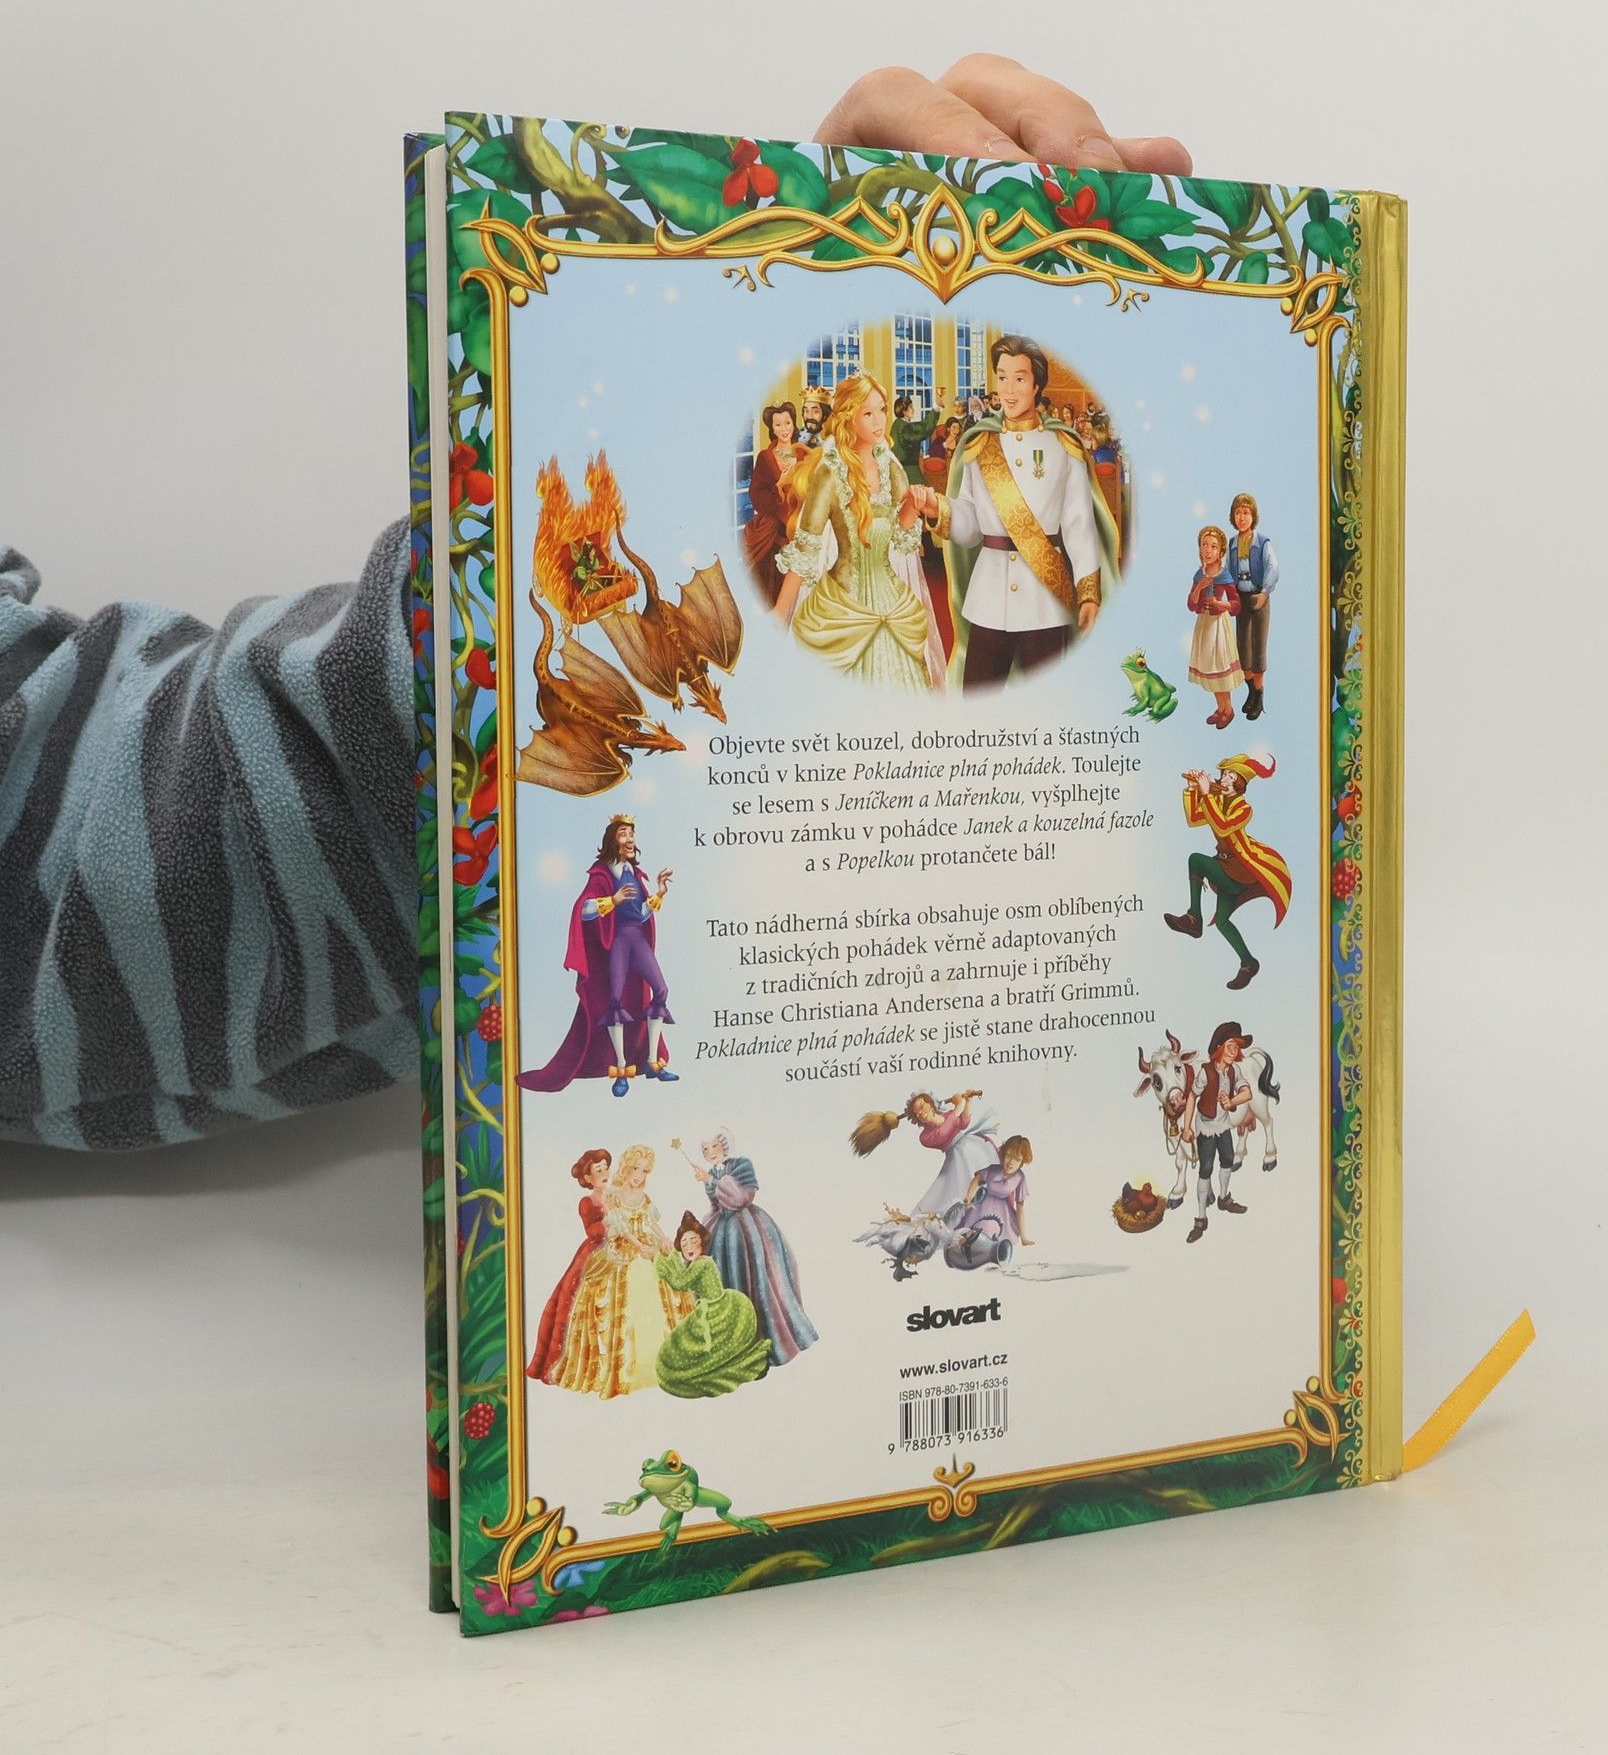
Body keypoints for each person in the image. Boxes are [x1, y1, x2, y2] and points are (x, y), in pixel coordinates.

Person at [0, 56, 1193, 1149]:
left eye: (890, 409)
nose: (881, 419)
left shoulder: (983, 462)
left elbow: (52, 774)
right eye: (869, 410)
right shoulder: (851, 471)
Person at [921, 334, 1121, 690]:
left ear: (1037, 384)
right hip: (988, 598)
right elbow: (971, 526)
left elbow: (1079, 524)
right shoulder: (979, 444)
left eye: (1019, 378)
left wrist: (1089, 592)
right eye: (1002, 377)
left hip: (1045, 600)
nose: (1009, 390)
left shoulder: (1064, 446)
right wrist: (939, 509)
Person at [773, 371, 946, 691]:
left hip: (891, 600)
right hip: (842, 605)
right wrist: (781, 611)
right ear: (849, 418)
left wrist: (913, 505)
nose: (880, 421)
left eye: (882, 410)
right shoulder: (830, 472)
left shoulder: (890, 467)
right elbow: (805, 550)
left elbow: (900, 538)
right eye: (868, 413)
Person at [517, 815, 676, 1094]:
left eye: (632, 834)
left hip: (637, 940)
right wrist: (612, 900)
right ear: (612, 840)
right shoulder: (602, 875)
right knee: (615, 1000)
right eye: (624, 834)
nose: (630, 839)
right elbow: (583, 909)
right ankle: (621, 1069)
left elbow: (640, 914)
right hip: (618, 942)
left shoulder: (634, 873)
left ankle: (652, 1061)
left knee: (661, 990)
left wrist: (660, 893)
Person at [525, 1146, 670, 1395]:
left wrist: (658, 1240)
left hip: (631, 1245)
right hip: (601, 1249)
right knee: (582, 1293)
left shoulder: (621, 1193)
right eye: (598, 1170)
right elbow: (597, 1230)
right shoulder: (590, 1201)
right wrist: (615, 1224)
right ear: (588, 1177)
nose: (604, 1174)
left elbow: (646, 1220)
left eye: (605, 1169)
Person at [675, 1128, 817, 1365]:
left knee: (759, 1277)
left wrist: (712, 1181)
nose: (710, 1152)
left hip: (748, 1229)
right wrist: (710, 1184)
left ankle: (767, 1340)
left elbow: (741, 1199)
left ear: (724, 1145)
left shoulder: (742, 1164)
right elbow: (716, 1205)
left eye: (714, 1146)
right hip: (722, 1227)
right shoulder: (712, 1172)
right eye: (705, 1149)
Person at [1164, 749, 1292, 991]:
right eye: (1223, 775)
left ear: (1239, 783)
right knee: (1222, 922)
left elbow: (1222, 826)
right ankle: (1249, 963)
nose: (1222, 779)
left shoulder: (1244, 809)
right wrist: (1192, 791)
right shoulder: (1218, 802)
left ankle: (1194, 918)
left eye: (1229, 776)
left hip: (1238, 872)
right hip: (1225, 869)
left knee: (1196, 860)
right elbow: (1194, 819)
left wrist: (1206, 793)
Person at [653, 1211, 772, 1398]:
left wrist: (660, 1258)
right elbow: (681, 1278)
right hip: (708, 1310)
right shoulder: (695, 1264)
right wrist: (670, 1255)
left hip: (719, 1310)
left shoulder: (703, 1263)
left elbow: (680, 1283)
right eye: (684, 1244)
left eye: (693, 1240)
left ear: (701, 1241)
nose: (689, 1246)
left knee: (685, 1358)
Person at [849, 1087, 998, 1216]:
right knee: (961, 1188)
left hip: (972, 1146)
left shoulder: (948, 1115)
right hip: (957, 1158)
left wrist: (968, 1103)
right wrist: (959, 1105)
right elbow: (944, 1132)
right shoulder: (925, 1137)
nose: (921, 1113)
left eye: (922, 1106)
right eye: (917, 1113)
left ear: (931, 1103)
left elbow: (963, 1123)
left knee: (987, 1177)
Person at [1178, 1025, 1253, 1245]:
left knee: (1228, 1159)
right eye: (1230, 1046)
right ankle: (1201, 1218)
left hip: (1223, 1125)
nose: (1234, 1051)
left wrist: (1231, 1101)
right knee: (1206, 1169)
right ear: (1219, 1048)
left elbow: (1247, 1093)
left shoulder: (1234, 1071)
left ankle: (1223, 1198)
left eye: (1236, 1047)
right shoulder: (1206, 1072)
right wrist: (1187, 1127)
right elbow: (1192, 1098)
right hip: (1206, 1127)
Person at [741, 402, 813, 608]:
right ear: (772, 428)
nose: (784, 429)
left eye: (787, 423)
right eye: (778, 425)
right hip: (777, 523)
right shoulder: (765, 457)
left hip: (800, 518)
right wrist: (779, 486)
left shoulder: (803, 453)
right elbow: (756, 493)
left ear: (793, 424)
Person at [945, 1133, 1035, 1268]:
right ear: (1003, 1154)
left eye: (1017, 1159)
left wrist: (1024, 1238)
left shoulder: (1020, 1178)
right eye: (1008, 1155)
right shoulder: (993, 1169)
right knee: (973, 1235)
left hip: (1003, 1213)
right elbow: (976, 1180)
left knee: (995, 1237)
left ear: (1022, 1162)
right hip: (981, 1207)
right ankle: (962, 1256)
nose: (1011, 1162)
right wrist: (968, 1197)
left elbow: (1020, 1208)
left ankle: (991, 1256)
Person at [1224, 492, 1276, 720]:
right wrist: (1228, 596)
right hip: (1241, 599)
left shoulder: (1263, 542)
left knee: (1258, 648)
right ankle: (1252, 692)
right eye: (1238, 513)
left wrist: (1264, 593)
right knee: (1242, 650)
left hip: (1258, 598)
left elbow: (1273, 568)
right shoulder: (1232, 543)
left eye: (1246, 513)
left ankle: (1259, 697)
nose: (1242, 517)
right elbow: (1228, 571)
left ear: (1253, 516)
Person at [1187, 525, 1244, 728]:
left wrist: (1221, 604)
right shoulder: (1199, 575)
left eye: (1213, 546)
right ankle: (1220, 707)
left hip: (1218, 626)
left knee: (1219, 667)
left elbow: (1236, 604)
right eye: (1204, 545)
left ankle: (1228, 709)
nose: (1208, 550)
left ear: (1220, 551)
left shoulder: (1224, 575)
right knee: (1209, 667)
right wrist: (1200, 588)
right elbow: (1191, 604)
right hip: (1204, 625)